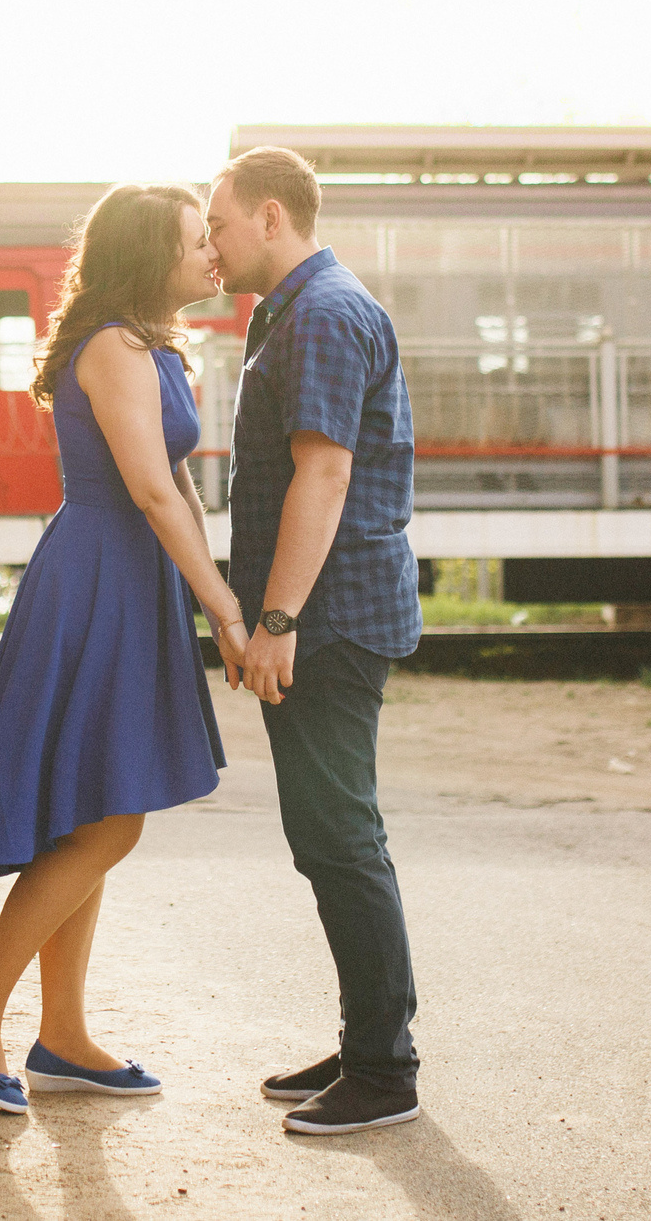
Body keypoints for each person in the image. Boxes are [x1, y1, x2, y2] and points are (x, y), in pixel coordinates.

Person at [0, 184, 253, 1114]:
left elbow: (179, 489)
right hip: (101, 574)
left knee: (98, 800)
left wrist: (209, 597)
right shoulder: (112, 346)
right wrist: (226, 608)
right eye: (199, 242)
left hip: (130, 580)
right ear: (152, 255)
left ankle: (62, 1036)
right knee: (112, 818)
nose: (213, 256)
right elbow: (151, 493)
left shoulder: (149, 347)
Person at [205, 145, 425, 1137]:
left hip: (327, 621)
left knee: (340, 835)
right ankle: (367, 1042)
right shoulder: (295, 309)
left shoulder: (326, 315)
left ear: (267, 217)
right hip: (317, 615)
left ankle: (384, 1071)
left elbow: (323, 476)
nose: (209, 244)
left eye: (216, 224)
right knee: (326, 836)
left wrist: (278, 620)